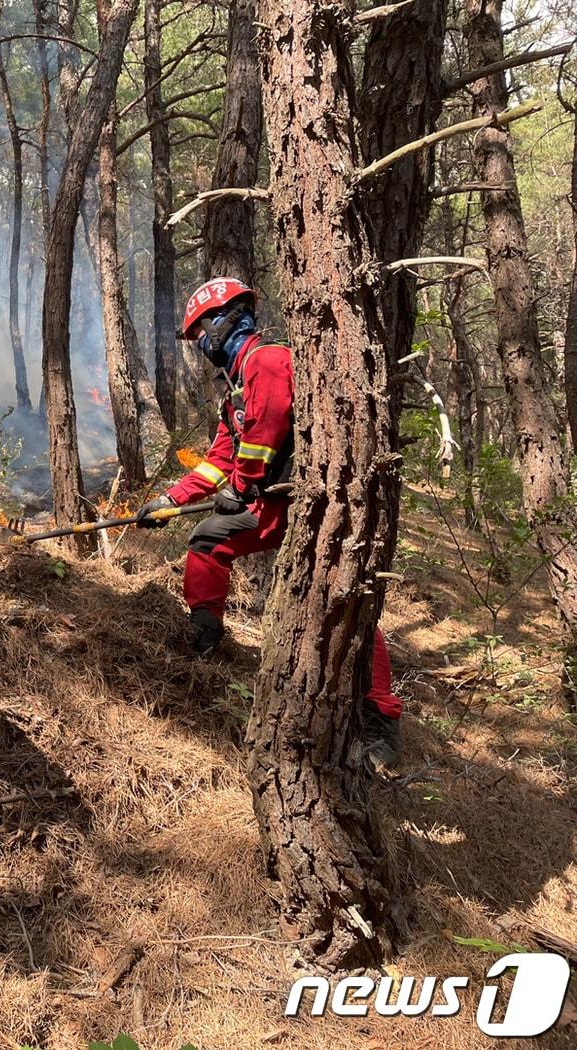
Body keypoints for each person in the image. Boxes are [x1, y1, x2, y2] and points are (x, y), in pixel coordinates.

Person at [135, 277, 403, 768]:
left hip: (318, 505)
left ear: (223, 322)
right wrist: (170, 500)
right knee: (207, 541)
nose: (197, 345)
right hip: (277, 507)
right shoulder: (233, 390)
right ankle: (205, 638)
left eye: (198, 333)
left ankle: (379, 717)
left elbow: (272, 423)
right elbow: (220, 457)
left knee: (346, 600)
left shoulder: (267, 361)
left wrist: (239, 488)